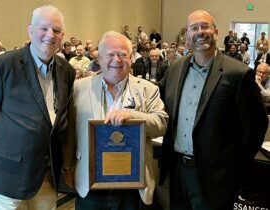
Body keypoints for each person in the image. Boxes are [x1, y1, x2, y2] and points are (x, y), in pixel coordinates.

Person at [159, 10, 268, 210]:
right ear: (186, 35)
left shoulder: (238, 73)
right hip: (177, 174)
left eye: (205, 26)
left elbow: (255, 128)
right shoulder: (174, 68)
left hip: (216, 179)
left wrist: (233, 170)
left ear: (216, 32)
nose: (200, 32)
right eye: (194, 28)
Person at [0, 5, 76, 210]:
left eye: (56, 30)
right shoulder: (2, 65)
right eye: (43, 28)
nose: (50, 35)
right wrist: (3, 149)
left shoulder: (67, 71)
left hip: (46, 176)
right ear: (30, 30)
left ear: (62, 36)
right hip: (6, 174)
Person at [67, 31, 168, 210]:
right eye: (111, 54)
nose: (117, 60)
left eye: (123, 55)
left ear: (131, 58)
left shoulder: (148, 89)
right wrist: (67, 167)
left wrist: (133, 116)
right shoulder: (78, 88)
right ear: (99, 58)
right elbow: (69, 133)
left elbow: (161, 123)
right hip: (91, 185)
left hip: (133, 187)